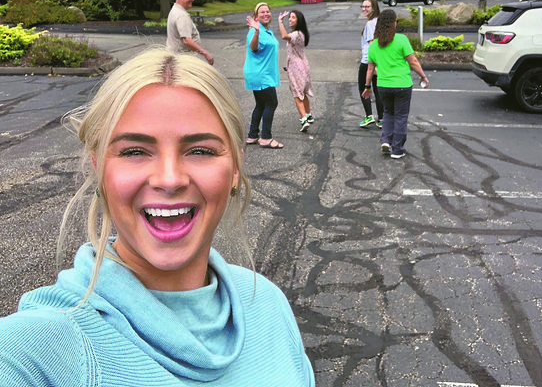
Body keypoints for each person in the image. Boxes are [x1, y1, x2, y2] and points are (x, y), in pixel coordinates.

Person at [0, 48, 315, 386]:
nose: (169, 179)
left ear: (235, 168)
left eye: (200, 151)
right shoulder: (35, 350)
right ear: (98, 167)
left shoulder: (266, 302)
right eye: (135, 151)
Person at [364, 9, 429, 159]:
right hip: (402, 84)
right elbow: (413, 62)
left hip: (383, 85)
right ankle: (397, 149)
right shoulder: (401, 40)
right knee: (400, 116)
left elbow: (370, 69)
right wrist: (423, 76)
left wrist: (367, 87)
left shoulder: (373, 45)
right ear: (394, 23)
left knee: (388, 113)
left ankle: (386, 140)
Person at [243, 2, 284, 148]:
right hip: (261, 74)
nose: (266, 14)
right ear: (256, 17)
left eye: (267, 11)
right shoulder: (255, 32)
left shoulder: (267, 32)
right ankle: (266, 137)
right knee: (272, 103)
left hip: (262, 73)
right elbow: (253, 48)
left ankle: (253, 135)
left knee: (261, 104)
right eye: (262, 12)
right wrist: (256, 31)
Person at [278, 10, 314, 132]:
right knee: (303, 92)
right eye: (290, 17)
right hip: (302, 66)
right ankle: (308, 115)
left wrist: (280, 22)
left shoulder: (297, 34)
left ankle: (304, 119)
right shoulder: (301, 33)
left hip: (296, 68)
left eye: (293, 17)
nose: (290, 19)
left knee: (297, 94)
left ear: (299, 20)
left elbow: (284, 36)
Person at [166, 0, 214, 65]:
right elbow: (187, 40)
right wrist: (205, 53)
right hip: (182, 60)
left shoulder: (175, 10)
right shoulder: (181, 15)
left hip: (174, 57)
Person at [358, 0, 384, 128]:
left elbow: (372, 45)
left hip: (368, 62)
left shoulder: (370, 24)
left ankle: (369, 116)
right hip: (379, 61)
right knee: (378, 90)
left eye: (367, 7)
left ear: (373, 8)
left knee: (364, 88)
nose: (364, 9)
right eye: (363, 6)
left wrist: (372, 65)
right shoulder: (380, 21)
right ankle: (382, 119)